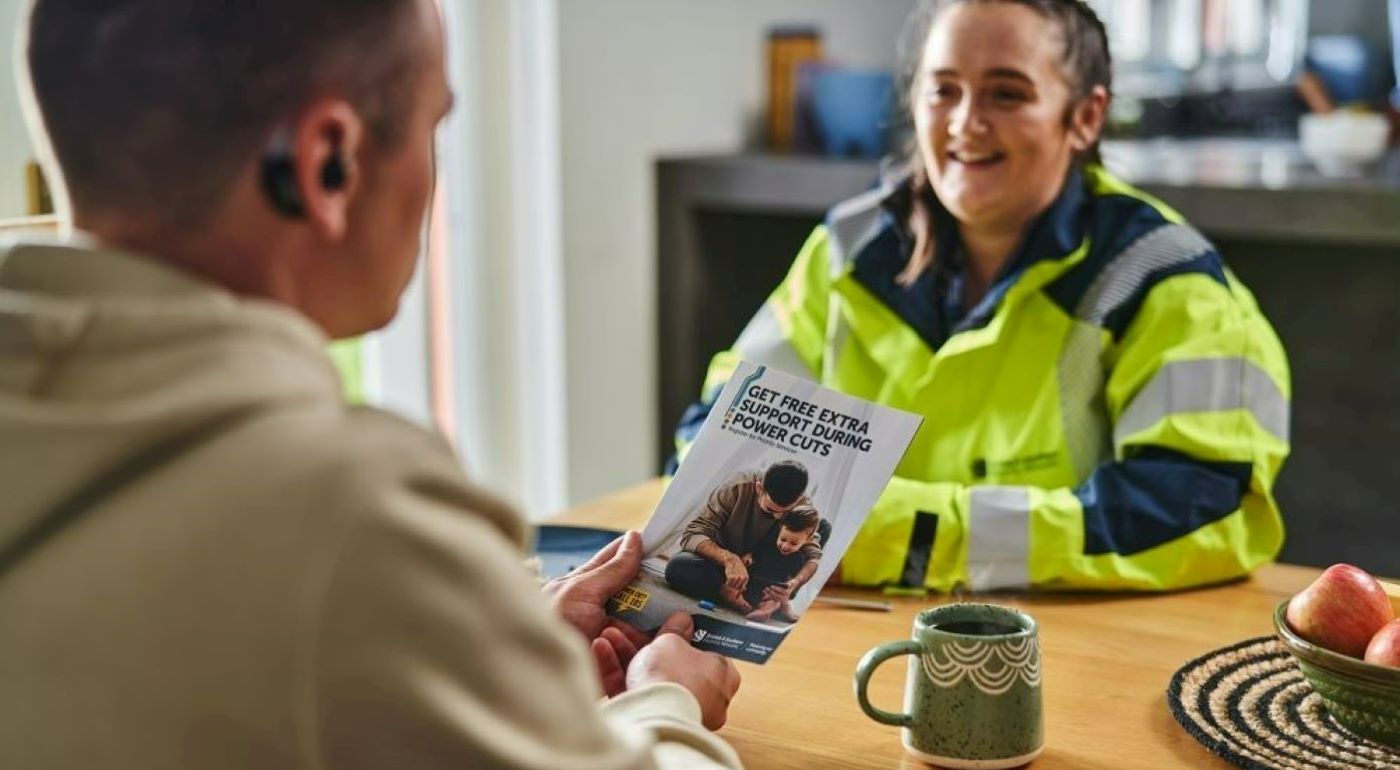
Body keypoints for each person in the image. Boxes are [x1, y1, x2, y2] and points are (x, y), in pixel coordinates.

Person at [0, 2, 742, 769]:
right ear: (327, 162)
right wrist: (668, 704)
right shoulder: (351, 519)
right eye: (434, 127)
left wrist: (477, 653)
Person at [673, 0, 1291, 593]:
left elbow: (1201, 509)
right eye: (943, 89)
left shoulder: (1165, 280)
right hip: (847, 628)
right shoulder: (848, 249)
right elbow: (717, 433)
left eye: (1007, 93)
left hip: (1058, 655)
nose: (966, 122)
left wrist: (908, 538)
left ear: (1085, 117)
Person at [665, 461, 823, 609]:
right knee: (678, 567)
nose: (777, 518)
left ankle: (754, 596)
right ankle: (735, 593)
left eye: (785, 512)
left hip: (762, 569)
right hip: (722, 566)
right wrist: (728, 559)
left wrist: (796, 582)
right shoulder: (736, 487)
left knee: (823, 528)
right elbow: (693, 533)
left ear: (798, 499)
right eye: (770, 510)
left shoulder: (803, 504)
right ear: (759, 488)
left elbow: (813, 554)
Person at [735, 507, 822, 623]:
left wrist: (789, 586)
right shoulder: (768, 544)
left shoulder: (798, 559)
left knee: (775, 599)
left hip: (771, 590)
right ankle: (739, 601)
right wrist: (749, 556)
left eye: (793, 543)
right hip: (754, 581)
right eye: (783, 539)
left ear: (808, 540)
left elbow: (791, 582)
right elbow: (756, 551)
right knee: (738, 585)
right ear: (781, 528)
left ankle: (765, 611)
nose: (785, 546)